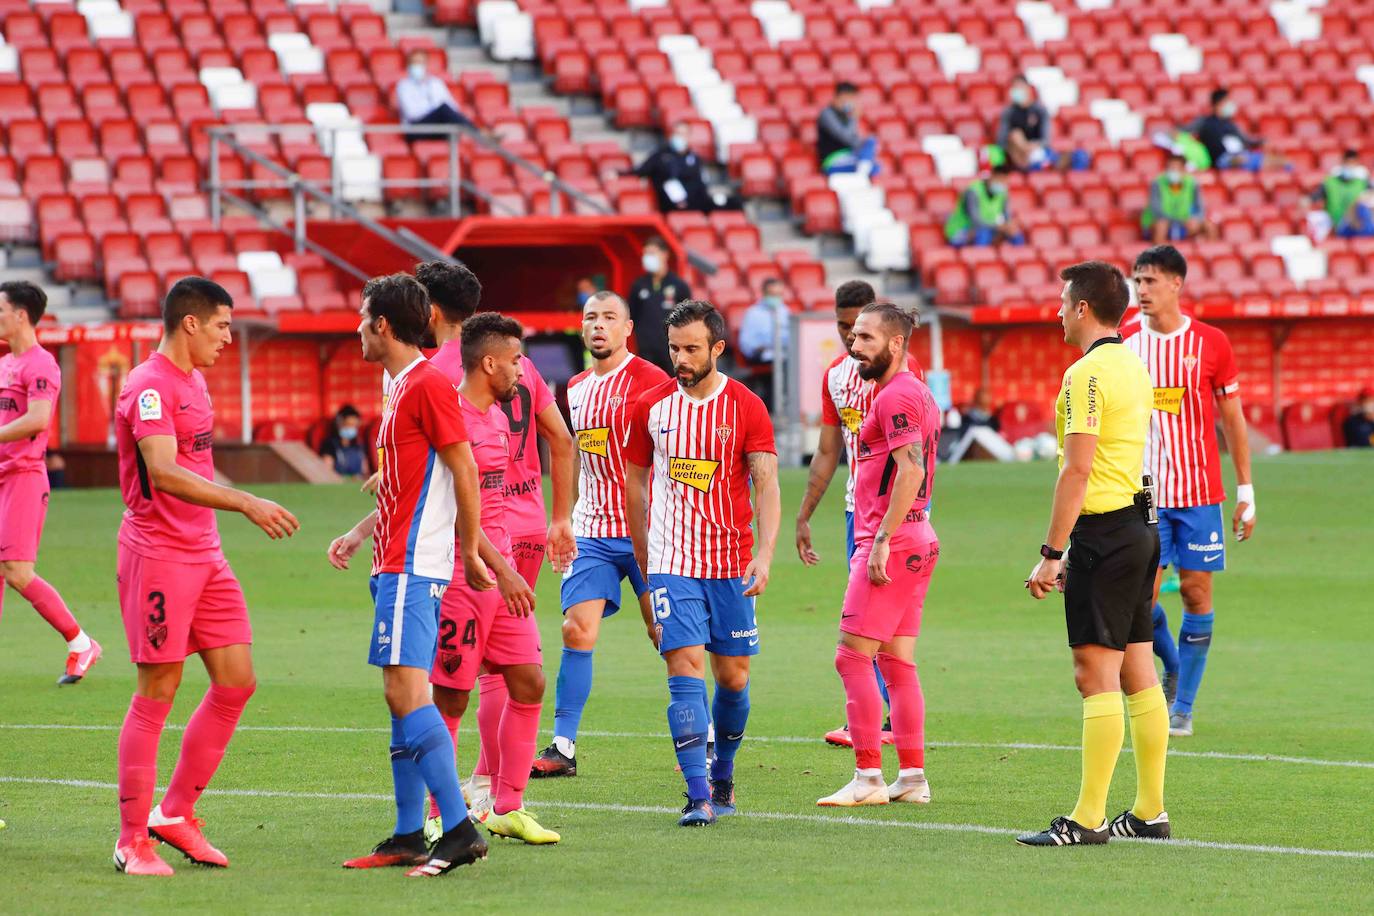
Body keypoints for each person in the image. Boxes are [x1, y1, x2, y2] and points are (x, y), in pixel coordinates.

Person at [112, 277, 301, 876]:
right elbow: (164, 472)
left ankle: (175, 814)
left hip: (205, 554)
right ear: (189, 323)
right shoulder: (148, 386)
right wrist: (245, 502)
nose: (227, 336)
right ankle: (130, 839)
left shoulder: (195, 381)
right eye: (221, 325)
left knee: (237, 681)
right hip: (159, 555)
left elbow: (194, 463)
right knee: (157, 691)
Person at [326, 273, 491, 877]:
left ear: (384, 326)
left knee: (406, 693)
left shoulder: (426, 386)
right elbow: (409, 484)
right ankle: (405, 833)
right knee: (401, 700)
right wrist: (360, 530)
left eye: (363, 319)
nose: (358, 330)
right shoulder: (397, 385)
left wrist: (469, 550)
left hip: (413, 566)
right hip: (391, 559)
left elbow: (464, 471)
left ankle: (458, 828)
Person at [411, 258, 575, 820]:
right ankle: (438, 816)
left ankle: (507, 806)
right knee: (453, 693)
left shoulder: (499, 420)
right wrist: (501, 567)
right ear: (487, 363)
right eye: (514, 362)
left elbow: (491, 498)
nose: (523, 370)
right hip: (464, 572)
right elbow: (456, 511)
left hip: (504, 560)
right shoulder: (447, 413)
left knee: (528, 679)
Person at [1019, 260, 1169, 847]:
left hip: (1103, 533)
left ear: (1082, 308)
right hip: (1140, 525)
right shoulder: (1133, 362)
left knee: (1095, 674)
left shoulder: (1085, 376)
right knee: (1137, 668)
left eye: (1062, 301)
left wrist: (1052, 552)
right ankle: (1150, 810)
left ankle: (1087, 818)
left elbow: (1077, 469)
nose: (1057, 310)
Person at [625, 300, 780, 827]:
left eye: (692, 348)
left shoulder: (746, 407)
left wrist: (764, 553)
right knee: (683, 668)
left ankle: (724, 771)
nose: (680, 358)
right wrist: (644, 556)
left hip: (731, 563)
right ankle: (697, 796)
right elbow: (637, 484)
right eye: (673, 348)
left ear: (717, 347)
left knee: (733, 679)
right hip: (672, 561)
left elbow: (767, 484)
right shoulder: (650, 406)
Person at [532, 291, 669, 778]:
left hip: (650, 532)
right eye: (591, 317)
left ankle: (703, 738)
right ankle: (563, 747)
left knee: (667, 636)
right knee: (576, 628)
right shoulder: (575, 387)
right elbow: (568, 454)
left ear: (627, 328)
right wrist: (563, 517)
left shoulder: (655, 382)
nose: (598, 326)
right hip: (591, 531)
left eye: (609, 318)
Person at [1125, 245, 1255, 733]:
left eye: (1150, 282)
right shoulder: (1125, 342)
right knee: (1141, 599)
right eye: (1137, 281)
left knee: (1198, 594)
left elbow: (1233, 419)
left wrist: (1247, 490)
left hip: (1200, 493)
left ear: (1176, 284)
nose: (1141, 291)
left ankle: (1183, 707)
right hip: (1145, 496)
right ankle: (1173, 666)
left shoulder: (1210, 343)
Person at [816, 303, 941, 808]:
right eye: (853, 335)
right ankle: (911, 778)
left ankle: (868, 777)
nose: (854, 345)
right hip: (918, 537)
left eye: (866, 337)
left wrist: (883, 539)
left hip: (892, 541)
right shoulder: (915, 391)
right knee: (896, 663)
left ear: (894, 344)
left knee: (852, 657)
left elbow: (910, 471)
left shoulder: (896, 396)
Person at [795, 280, 924, 748]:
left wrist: (898, 525)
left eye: (862, 331)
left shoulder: (905, 377)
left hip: (892, 520)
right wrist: (805, 513)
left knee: (867, 639)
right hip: (858, 514)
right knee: (871, 630)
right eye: (845, 329)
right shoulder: (834, 377)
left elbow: (917, 457)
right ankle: (885, 731)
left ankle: (873, 735)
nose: (853, 342)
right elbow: (828, 451)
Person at [0, 280, 100, 685]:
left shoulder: (41, 364)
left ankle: (80, 643)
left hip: (23, 476)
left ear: (20, 314)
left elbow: (39, 419)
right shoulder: (6, 363)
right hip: (2, 473)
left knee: (17, 571)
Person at [627, 236, 692, 373]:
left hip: (671, 350)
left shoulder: (679, 286)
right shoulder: (639, 285)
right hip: (645, 351)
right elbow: (632, 315)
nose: (647, 257)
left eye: (651, 253)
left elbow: (687, 319)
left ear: (664, 254)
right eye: (645, 254)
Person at [1185, 88, 1286, 171]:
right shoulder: (1204, 122)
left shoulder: (1230, 124)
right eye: (1228, 101)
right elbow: (1184, 130)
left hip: (1241, 154)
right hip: (1222, 159)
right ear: (1219, 104)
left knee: (1283, 163)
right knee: (1244, 160)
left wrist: (1262, 141)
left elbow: (1246, 140)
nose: (1231, 104)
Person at [630, 121, 721, 213]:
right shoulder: (660, 156)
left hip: (696, 205)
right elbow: (640, 171)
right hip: (670, 207)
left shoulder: (695, 158)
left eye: (683, 134)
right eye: (677, 133)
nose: (680, 137)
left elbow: (701, 183)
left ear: (689, 136)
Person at [395, 50, 474, 140]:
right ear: (408, 65)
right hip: (415, 129)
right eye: (414, 63)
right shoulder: (403, 86)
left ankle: (473, 136)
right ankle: (476, 133)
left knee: (449, 120)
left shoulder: (436, 83)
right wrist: (436, 111)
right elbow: (412, 113)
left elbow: (452, 107)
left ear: (426, 65)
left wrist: (438, 112)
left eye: (420, 62)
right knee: (443, 110)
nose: (417, 66)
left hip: (438, 126)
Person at [737, 278, 789, 411]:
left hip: (782, 353)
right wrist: (760, 347)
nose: (776, 298)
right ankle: (772, 409)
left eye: (779, 295)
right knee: (779, 366)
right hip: (761, 356)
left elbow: (791, 336)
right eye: (772, 294)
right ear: (764, 294)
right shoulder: (753, 313)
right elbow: (746, 342)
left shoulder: (785, 311)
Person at [1142, 154, 1218, 243]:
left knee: (1209, 226)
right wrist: (1177, 221)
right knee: (1161, 226)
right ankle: (1162, 253)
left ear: (1183, 170)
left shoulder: (1192, 183)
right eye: (1170, 168)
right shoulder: (1157, 183)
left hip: (1185, 222)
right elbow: (1156, 210)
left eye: (1176, 168)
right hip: (1164, 222)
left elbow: (1200, 207)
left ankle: (1207, 252)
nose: (1173, 171)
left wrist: (1195, 219)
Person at [944, 167, 1024, 247]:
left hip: (989, 228)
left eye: (1004, 181)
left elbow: (1007, 217)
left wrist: (1009, 226)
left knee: (1015, 234)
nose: (1002, 183)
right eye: (1000, 180)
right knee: (983, 234)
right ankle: (979, 257)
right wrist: (999, 227)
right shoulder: (973, 191)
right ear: (992, 176)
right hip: (961, 231)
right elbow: (976, 221)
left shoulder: (1003, 193)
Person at [996, 75, 1057, 172]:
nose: (1017, 90)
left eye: (1020, 87)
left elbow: (1046, 140)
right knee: (1016, 135)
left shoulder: (1040, 110)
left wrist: (1030, 146)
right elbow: (1001, 141)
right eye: (1014, 88)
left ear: (1028, 89)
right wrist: (1018, 146)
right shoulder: (1008, 112)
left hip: (1035, 151)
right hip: (1014, 153)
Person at [817, 81, 878, 177]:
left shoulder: (845, 114)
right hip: (832, 160)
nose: (853, 102)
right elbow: (846, 138)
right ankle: (861, 173)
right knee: (869, 151)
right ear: (842, 96)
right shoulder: (827, 113)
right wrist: (853, 117)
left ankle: (862, 170)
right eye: (852, 98)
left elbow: (854, 138)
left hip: (849, 156)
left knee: (874, 165)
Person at [1309, 150, 1374, 239]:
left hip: (1359, 224)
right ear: (1342, 162)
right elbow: (1314, 197)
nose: (1350, 166)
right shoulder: (1330, 182)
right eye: (1347, 162)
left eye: (1353, 163)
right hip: (1338, 224)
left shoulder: (1363, 182)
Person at [318, 404, 366, 478]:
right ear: (339, 423)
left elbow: (365, 471)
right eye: (348, 424)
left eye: (354, 425)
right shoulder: (329, 445)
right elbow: (327, 472)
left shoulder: (358, 446)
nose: (351, 428)